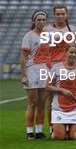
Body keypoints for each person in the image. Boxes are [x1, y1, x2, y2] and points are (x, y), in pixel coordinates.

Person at [46, 45, 76, 140]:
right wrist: (62, 90)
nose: (73, 55)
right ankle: (56, 130)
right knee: (59, 137)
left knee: (74, 137)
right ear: (66, 52)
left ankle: (68, 130)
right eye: (71, 52)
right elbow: (47, 86)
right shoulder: (56, 67)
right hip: (59, 108)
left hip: (75, 108)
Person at [21, 11, 50, 140]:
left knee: (42, 103)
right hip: (32, 69)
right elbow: (23, 57)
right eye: (39, 20)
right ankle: (29, 131)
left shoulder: (47, 35)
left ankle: (39, 130)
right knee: (32, 103)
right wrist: (24, 75)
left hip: (44, 70)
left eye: (44, 20)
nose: (41, 22)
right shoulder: (29, 36)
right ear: (34, 21)